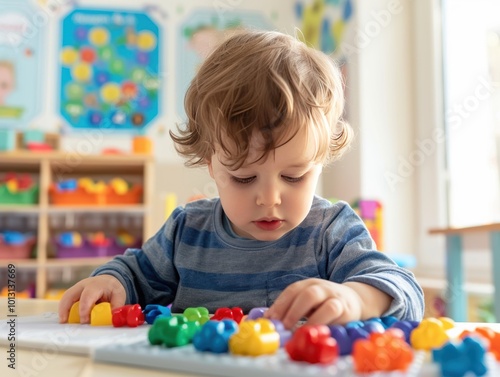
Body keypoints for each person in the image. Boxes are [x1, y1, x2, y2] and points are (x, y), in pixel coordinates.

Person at [59, 30, 424, 329]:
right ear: (212, 166)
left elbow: (403, 291)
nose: (269, 198)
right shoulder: (187, 232)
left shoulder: (331, 232)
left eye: (293, 176)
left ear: (320, 160)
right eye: (244, 177)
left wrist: (356, 298)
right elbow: (135, 273)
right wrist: (111, 282)